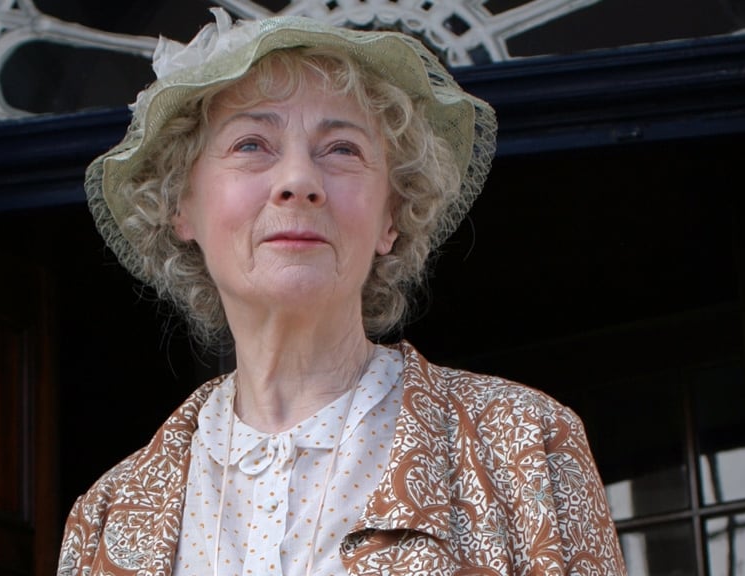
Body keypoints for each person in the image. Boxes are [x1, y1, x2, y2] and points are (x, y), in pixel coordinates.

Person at [59, 9, 626, 576]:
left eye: (342, 150)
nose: (298, 182)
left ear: (392, 216)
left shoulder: (526, 444)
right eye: (252, 144)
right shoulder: (106, 516)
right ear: (181, 206)